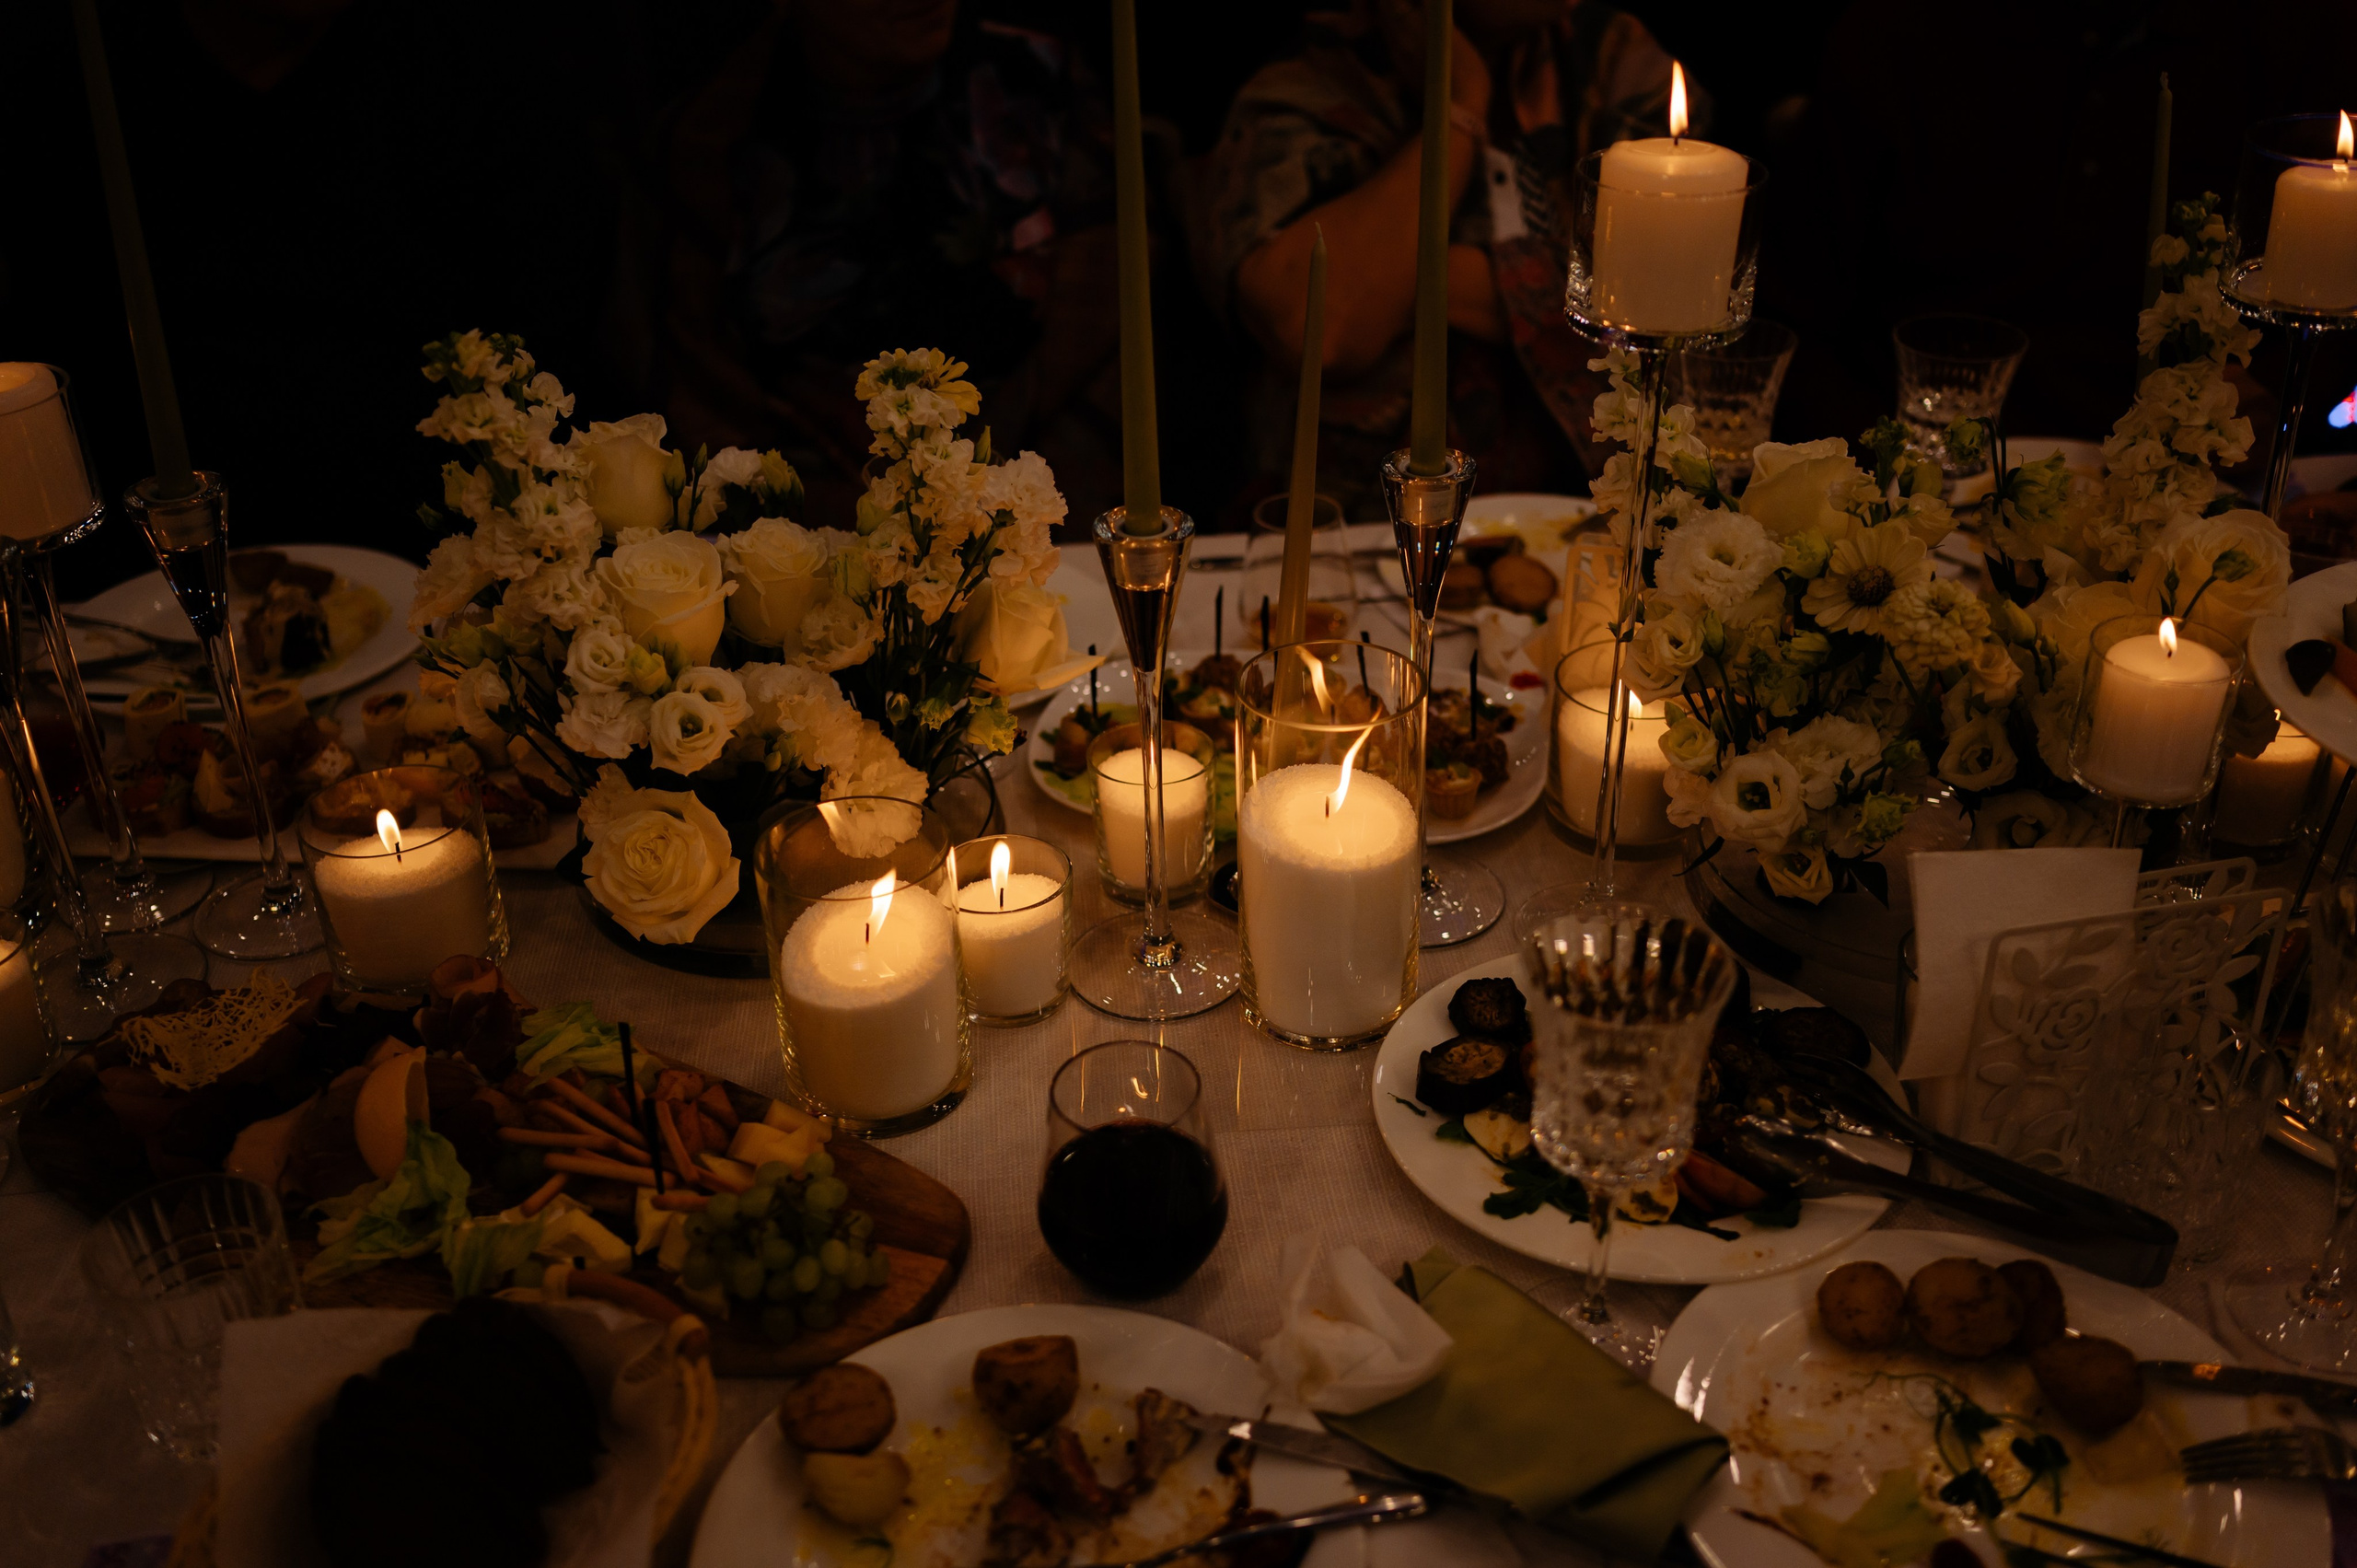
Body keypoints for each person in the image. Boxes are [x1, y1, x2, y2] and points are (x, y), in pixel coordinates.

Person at [624, 0, 1120, 525]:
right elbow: (706, 421)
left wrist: (993, 507)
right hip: (812, 541)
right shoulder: (711, 145)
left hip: (1045, 521)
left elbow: (1112, 331)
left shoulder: (1039, 82)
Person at [1197, 0, 1689, 516]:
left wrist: (1400, 281)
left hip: (1597, 514)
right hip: (1355, 528)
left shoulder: (1612, 55)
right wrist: (1458, 108)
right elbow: (1321, 324)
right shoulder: (1316, 78)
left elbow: (1674, 296)